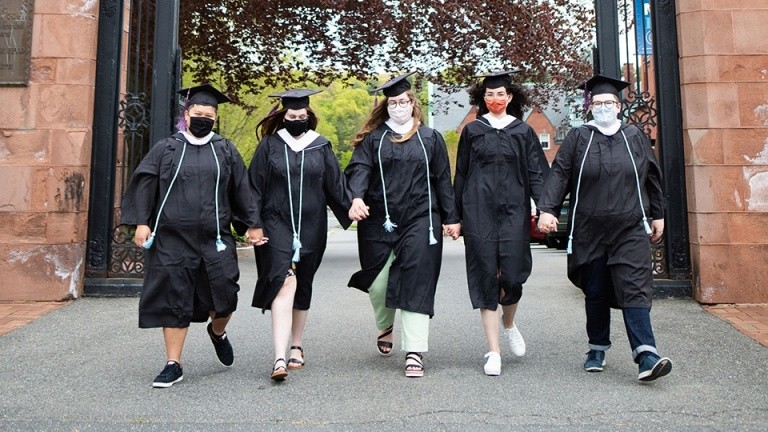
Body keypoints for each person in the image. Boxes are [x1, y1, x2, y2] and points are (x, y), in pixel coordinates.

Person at [121, 83, 261, 388]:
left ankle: (217, 332)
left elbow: (242, 188)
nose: (203, 119)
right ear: (187, 114)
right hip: (173, 239)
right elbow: (145, 182)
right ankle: (174, 363)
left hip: (216, 238)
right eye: (198, 113)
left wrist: (252, 224)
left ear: (215, 118)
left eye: (208, 115)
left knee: (225, 297)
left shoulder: (224, 149)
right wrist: (141, 222)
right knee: (174, 299)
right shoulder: (168, 148)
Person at [536, 74, 672, 382]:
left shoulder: (634, 136)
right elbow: (560, 174)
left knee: (635, 287)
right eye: (597, 103)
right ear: (589, 107)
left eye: (609, 102)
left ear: (619, 105)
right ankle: (597, 347)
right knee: (595, 289)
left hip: (629, 226)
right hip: (589, 227)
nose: (604, 108)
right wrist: (548, 209)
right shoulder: (579, 137)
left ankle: (646, 354)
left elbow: (651, 175)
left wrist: (658, 214)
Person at [346, 72, 461, 378]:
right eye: (393, 102)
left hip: (421, 218)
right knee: (379, 282)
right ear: (386, 105)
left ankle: (414, 350)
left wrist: (451, 218)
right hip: (379, 219)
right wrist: (356, 197)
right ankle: (385, 324)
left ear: (413, 102)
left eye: (403, 101)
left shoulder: (430, 139)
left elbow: (442, 181)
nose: (398, 106)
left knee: (417, 280)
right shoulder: (374, 139)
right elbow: (359, 169)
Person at [248, 89, 351, 381]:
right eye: (292, 116)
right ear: (284, 117)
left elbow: (336, 186)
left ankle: (297, 344)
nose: (297, 120)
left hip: (311, 226)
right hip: (275, 223)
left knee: (302, 283)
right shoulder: (269, 146)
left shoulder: (320, 146)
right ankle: (279, 357)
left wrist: (353, 207)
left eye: (301, 116)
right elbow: (253, 187)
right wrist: (253, 223)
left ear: (309, 117)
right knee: (284, 281)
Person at [453, 70, 550, 376]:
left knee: (512, 275)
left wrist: (545, 208)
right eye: (489, 95)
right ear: (483, 99)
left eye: (500, 94)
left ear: (510, 98)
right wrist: (454, 217)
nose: (495, 99)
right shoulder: (473, 131)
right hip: (477, 210)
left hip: (514, 212)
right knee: (486, 275)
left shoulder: (523, 132)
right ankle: (493, 351)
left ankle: (509, 323)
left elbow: (537, 173)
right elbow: (462, 175)